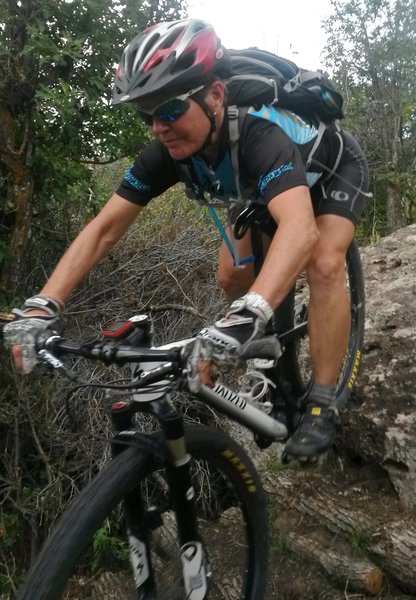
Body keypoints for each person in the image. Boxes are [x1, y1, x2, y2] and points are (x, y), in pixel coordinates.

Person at [4, 18, 369, 461]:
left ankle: (323, 401)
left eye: (171, 109)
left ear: (215, 94)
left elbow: (300, 228)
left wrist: (249, 314)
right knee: (233, 276)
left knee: (324, 263)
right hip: (260, 188)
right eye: (147, 114)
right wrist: (45, 304)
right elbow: (104, 230)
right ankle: (273, 363)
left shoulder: (258, 132)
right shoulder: (167, 151)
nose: (158, 126)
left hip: (328, 173)